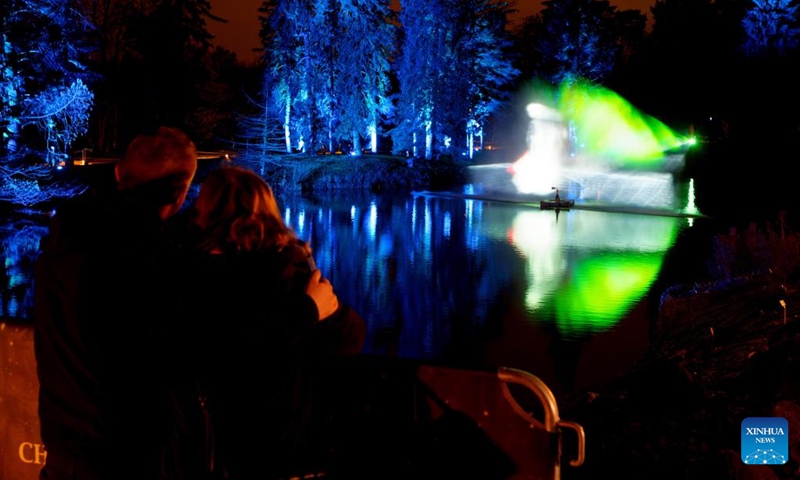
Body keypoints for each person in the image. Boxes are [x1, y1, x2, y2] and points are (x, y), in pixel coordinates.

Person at [182, 165, 365, 479]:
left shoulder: (182, 269)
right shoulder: (286, 272)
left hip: (207, 442)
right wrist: (316, 307)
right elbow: (349, 338)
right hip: (279, 442)